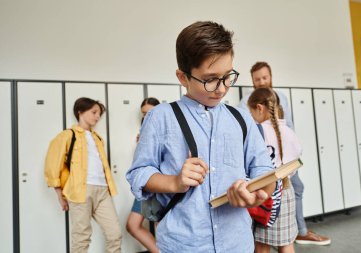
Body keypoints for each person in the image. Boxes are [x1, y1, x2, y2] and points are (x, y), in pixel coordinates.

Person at [126, 21, 276, 253]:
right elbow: (138, 173)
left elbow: (265, 172)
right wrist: (175, 182)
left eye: (228, 76)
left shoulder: (242, 118)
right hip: (183, 244)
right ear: (183, 77)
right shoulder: (160, 117)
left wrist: (257, 195)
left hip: (237, 243)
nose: (222, 88)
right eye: (210, 79)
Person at [239, 61, 331, 245]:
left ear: (270, 76)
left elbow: (289, 126)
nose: (262, 82)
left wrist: (289, 160)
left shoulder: (281, 97)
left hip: (284, 164)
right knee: (269, 210)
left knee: (294, 190)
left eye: (265, 77)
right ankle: (291, 233)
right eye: (257, 79)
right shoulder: (245, 102)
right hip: (266, 170)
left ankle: (299, 231)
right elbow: (246, 134)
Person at [44, 97, 122, 253]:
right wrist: (60, 196)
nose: (97, 117)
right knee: (81, 237)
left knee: (115, 234)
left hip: (102, 191)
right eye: (94, 112)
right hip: (80, 191)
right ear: (80, 111)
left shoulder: (98, 138)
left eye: (99, 114)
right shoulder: (67, 135)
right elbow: (53, 166)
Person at [248, 87, 301, 253]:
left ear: (259, 108)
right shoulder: (289, 132)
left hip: (268, 195)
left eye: (251, 113)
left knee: (262, 244)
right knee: (286, 242)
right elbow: (297, 158)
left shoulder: (258, 132)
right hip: (287, 191)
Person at [126, 97, 160, 253]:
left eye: (149, 112)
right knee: (132, 225)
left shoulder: (164, 128)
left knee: (162, 229)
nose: (146, 116)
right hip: (146, 185)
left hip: (161, 185)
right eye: (143, 113)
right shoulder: (144, 131)